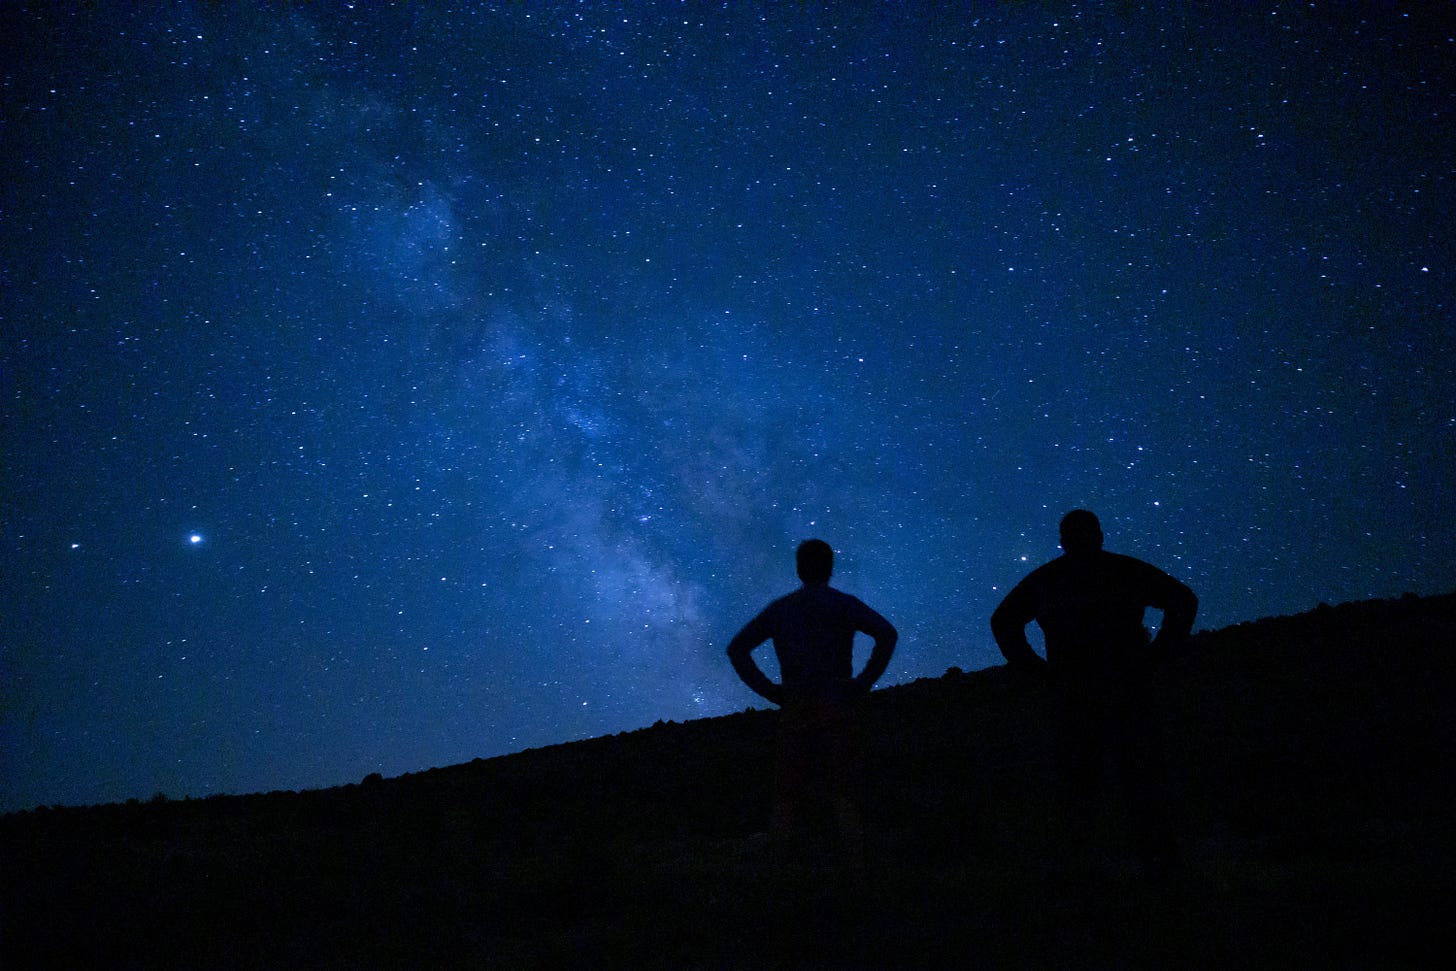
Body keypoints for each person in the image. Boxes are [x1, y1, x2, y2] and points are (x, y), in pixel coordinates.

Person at [991, 509, 1197, 867]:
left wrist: (1038, 671)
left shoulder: (1050, 579)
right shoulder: (1122, 570)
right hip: (1121, 689)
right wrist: (1158, 655)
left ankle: (1090, 873)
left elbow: (1003, 621)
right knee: (1136, 783)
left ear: (1064, 541)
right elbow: (1183, 600)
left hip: (1080, 693)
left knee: (1084, 788)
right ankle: (1157, 868)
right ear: (1099, 536)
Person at [727, 539, 898, 874]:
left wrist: (771, 692)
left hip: (796, 709)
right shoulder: (843, 604)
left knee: (786, 798)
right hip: (837, 705)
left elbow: (738, 649)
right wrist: (862, 683)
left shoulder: (782, 609)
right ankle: (856, 877)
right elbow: (886, 634)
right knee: (845, 794)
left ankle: (778, 879)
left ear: (799, 569)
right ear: (830, 568)